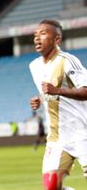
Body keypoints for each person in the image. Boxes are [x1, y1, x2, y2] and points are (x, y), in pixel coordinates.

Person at [29, 19, 87, 190]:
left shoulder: (68, 61)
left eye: (43, 33)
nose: (37, 38)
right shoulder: (34, 66)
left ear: (57, 40)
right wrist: (40, 99)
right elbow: (49, 92)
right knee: (51, 187)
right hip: (57, 139)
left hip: (83, 134)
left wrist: (58, 91)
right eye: (35, 35)